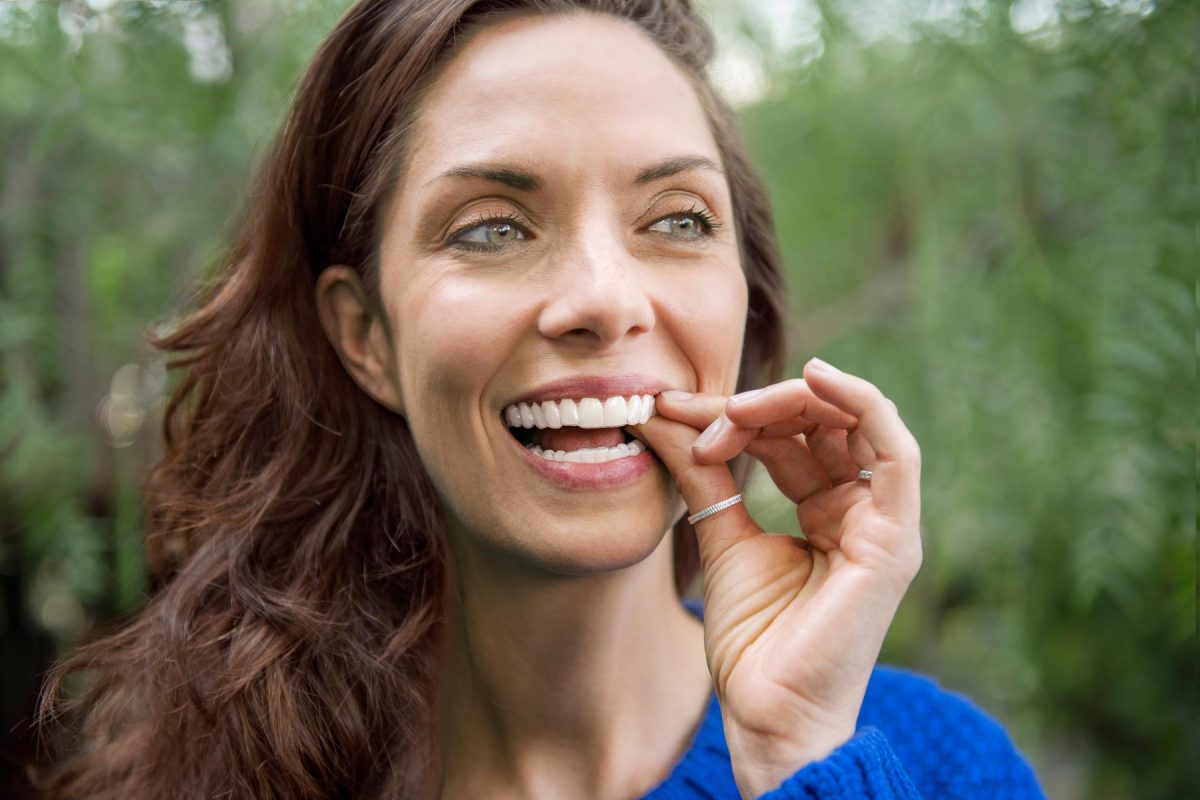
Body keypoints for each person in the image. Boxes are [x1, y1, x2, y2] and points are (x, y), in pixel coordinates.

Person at [35, 1, 1045, 798]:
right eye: (490, 228)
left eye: (678, 218)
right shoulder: (215, 775)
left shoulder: (942, 766)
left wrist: (797, 759)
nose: (606, 300)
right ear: (365, 336)